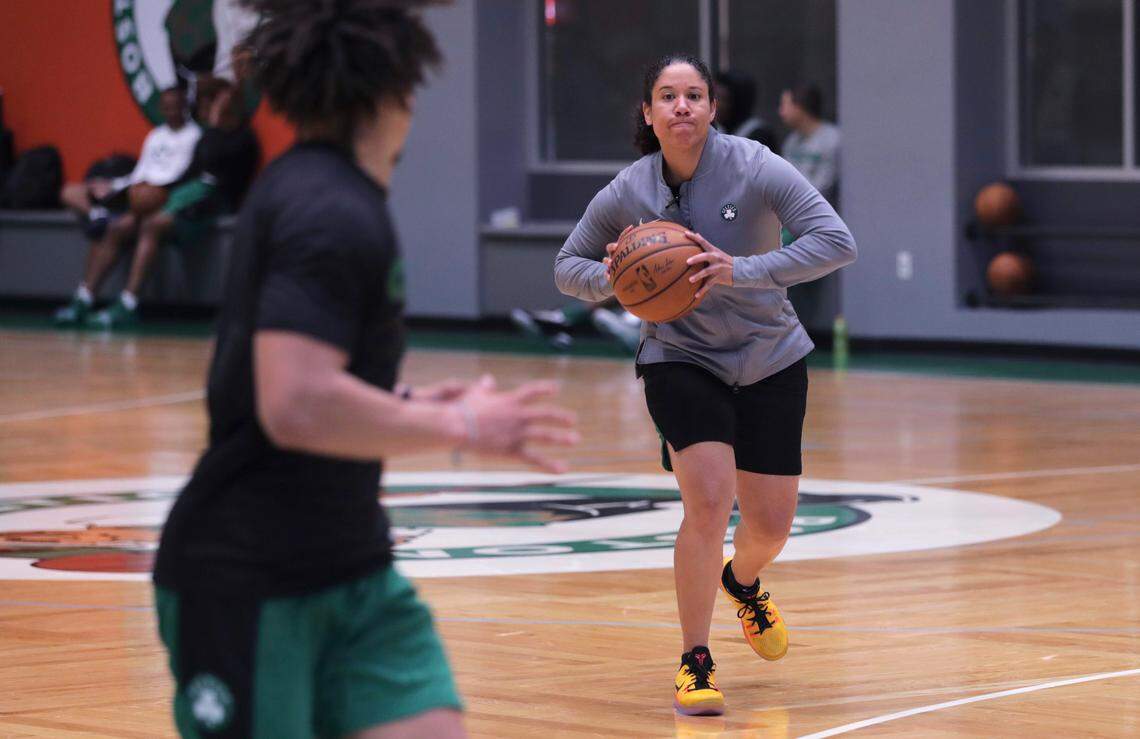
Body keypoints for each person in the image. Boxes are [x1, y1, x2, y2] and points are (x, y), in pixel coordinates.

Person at [152, 3, 578, 738]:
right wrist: (462, 423)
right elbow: (293, 402)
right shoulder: (327, 208)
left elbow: (300, 379)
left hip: (351, 564)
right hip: (250, 573)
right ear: (391, 91)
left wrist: (405, 398)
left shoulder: (324, 194)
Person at [554, 54, 856, 716]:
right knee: (710, 500)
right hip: (680, 355)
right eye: (668, 96)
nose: (682, 105)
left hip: (770, 353)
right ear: (649, 113)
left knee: (770, 526)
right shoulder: (628, 190)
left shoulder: (756, 166)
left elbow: (837, 241)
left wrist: (741, 268)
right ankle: (695, 658)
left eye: (695, 95)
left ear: (712, 109)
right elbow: (566, 266)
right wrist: (617, 281)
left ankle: (742, 581)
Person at [54, 87, 201, 327]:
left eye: (175, 105)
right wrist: (114, 185)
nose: (171, 111)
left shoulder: (194, 136)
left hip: (164, 199)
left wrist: (145, 194)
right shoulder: (156, 135)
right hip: (139, 195)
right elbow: (140, 173)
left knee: (136, 221)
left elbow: (177, 176)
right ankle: (84, 298)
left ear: (185, 106)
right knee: (102, 217)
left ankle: (128, 304)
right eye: (166, 106)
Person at [778, 84, 840, 205]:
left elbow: (824, 186)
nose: (781, 112)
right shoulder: (791, 141)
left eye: (785, 105)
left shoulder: (832, 139)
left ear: (799, 107)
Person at [714, 70, 779, 154]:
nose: (713, 104)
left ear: (736, 103)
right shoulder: (717, 133)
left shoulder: (760, 137)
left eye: (720, 98)